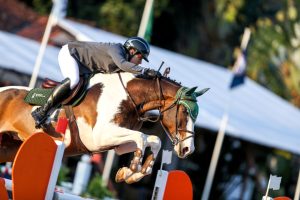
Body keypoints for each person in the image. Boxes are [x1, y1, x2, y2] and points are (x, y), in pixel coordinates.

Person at [31, 36, 160, 128]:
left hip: (83, 66)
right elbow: (124, 65)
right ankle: (42, 110)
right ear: (132, 51)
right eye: (140, 57)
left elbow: (130, 76)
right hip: (70, 54)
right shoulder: (117, 49)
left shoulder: (122, 60)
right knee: (74, 80)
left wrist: (150, 79)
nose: (141, 62)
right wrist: (145, 71)